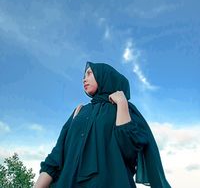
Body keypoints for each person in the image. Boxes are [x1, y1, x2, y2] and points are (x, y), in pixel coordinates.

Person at [34, 61, 171, 188]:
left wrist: (122, 103)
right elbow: (56, 156)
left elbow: (128, 151)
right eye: (84, 75)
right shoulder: (79, 111)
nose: (84, 79)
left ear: (103, 76)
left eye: (89, 73)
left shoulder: (122, 107)